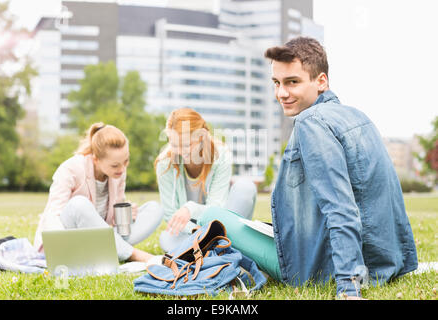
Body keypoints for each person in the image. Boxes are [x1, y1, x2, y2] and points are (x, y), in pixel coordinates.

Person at [199, 37, 418, 300]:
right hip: (385, 263)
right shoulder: (358, 116)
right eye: (276, 83)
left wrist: (348, 287)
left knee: (208, 216)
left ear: (321, 81)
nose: (281, 93)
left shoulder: (310, 122)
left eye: (293, 82)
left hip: (328, 268)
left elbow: (341, 208)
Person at [33, 122, 163, 263]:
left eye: (126, 161)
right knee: (79, 204)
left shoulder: (118, 173)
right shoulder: (71, 169)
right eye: (115, 165)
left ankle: (110, 248)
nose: (122, 168)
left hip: (102, 236)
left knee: (154, 209)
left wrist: (127, 215)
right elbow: (53, 215)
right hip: (70, 237)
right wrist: (62, 251)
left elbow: (111, 221)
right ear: (96, 159)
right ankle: (132, 254)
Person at [154, 108, 257, 253]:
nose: (181, 151)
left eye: (187, 145)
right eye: (174, 145)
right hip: (191, 232)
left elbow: (217, 208)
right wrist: (198, 231)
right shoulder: (165, 163)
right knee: (166, 238)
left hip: (221, 224)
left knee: (246, 187)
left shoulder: (221, 155)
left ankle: (215, 248)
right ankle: (219, 249)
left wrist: (190, 208)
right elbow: (171, 215)